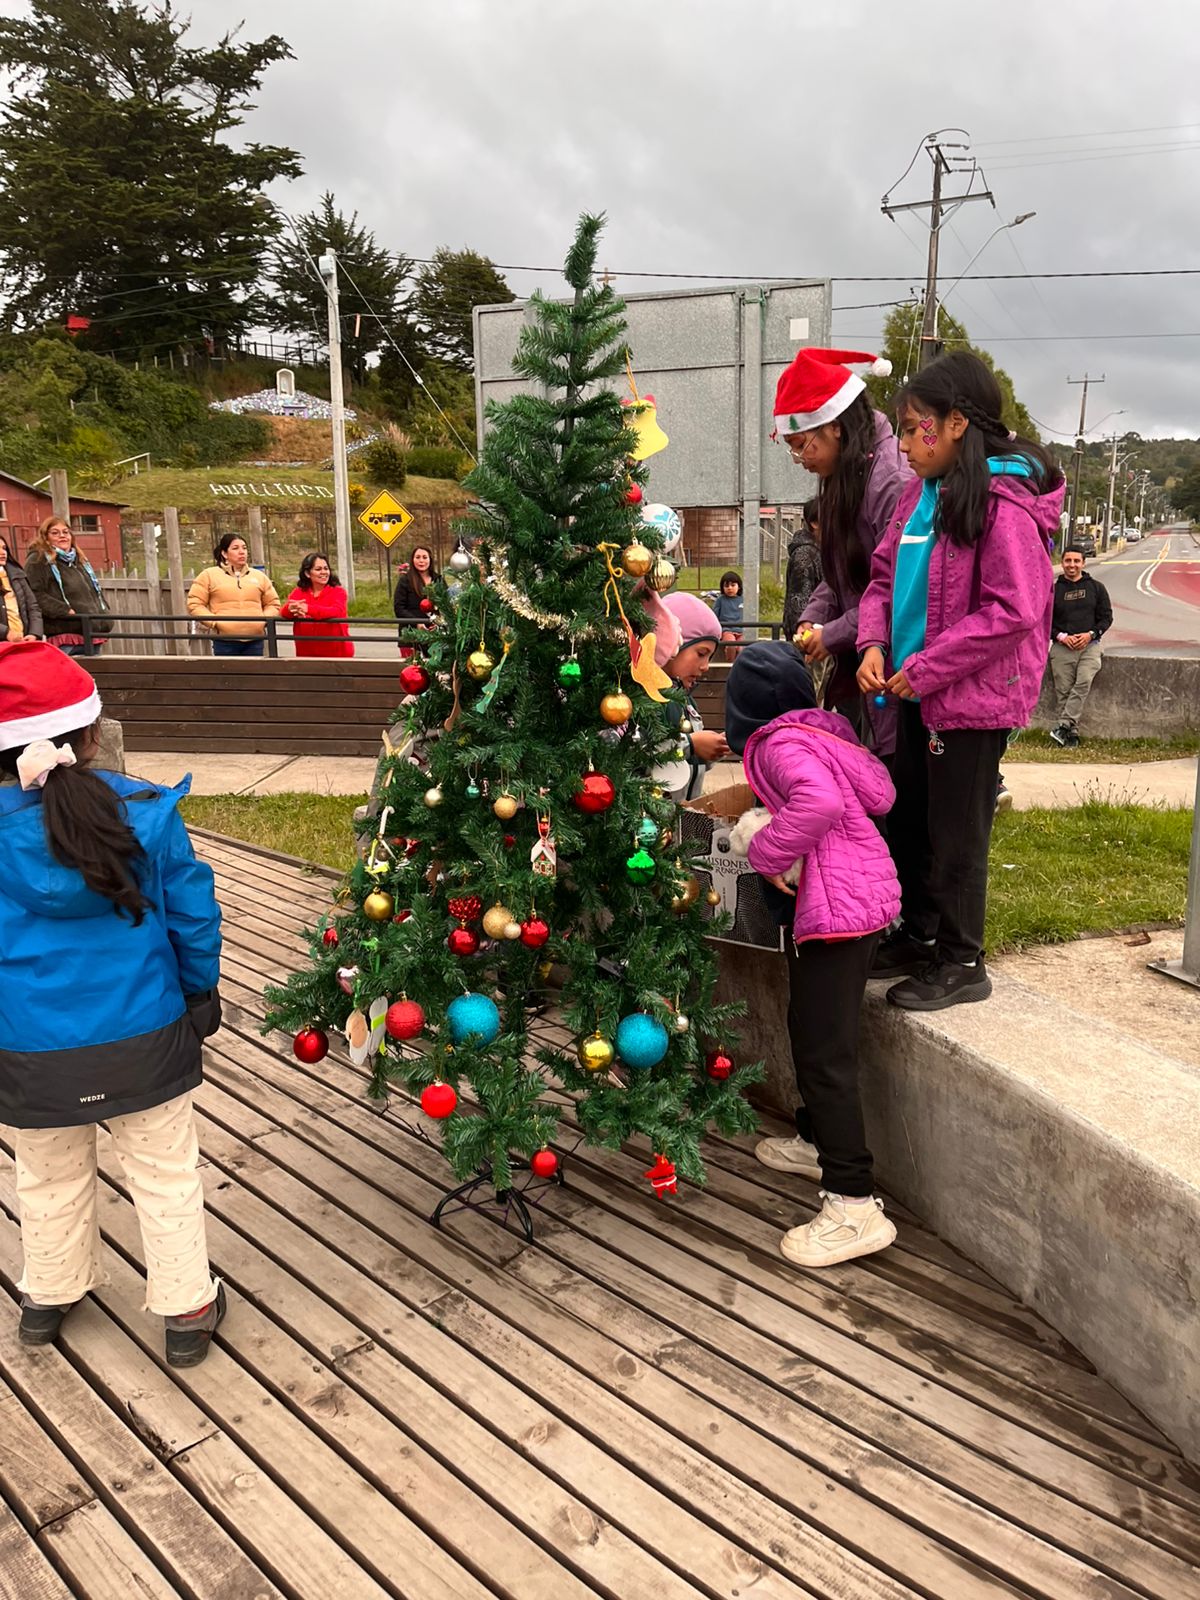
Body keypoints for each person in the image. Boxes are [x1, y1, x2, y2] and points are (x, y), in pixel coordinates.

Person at [0, 640, 226, 1365]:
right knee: (164, 1174)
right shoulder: (148, 815)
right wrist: (200, 992)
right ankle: (187, 1306)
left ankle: (51, 1291)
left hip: (30, 1044)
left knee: (45, 1173)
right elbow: (191, 914)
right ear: (90, 734)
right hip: (143, 1027)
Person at [856, 350, 1063, 1011]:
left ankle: (961, 958)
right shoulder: (920, 500)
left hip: (969, 702)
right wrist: (872, 642)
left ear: (956, 426)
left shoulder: (1002, 507)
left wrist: (927, 666)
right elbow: (884, 579)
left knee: (956, 833)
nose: (907, 442)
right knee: (913, 818)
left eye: (916, 426)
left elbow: (1015, 610)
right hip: (915, 692)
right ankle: (918, 936)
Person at [724, 639, 901, 1267]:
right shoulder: (823, 736)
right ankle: (815, 1137)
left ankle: (854, 1202)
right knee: (808, 1028)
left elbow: (819, 805)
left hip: (838, 912)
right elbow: (872, 798)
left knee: (827, 1054)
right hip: (849, 904)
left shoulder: (777, 744)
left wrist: (767, 853)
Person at [776, 348, 913, 753]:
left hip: (894, 659)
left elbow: (895, 588)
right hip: (863, 657)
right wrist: (814, 618)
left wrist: (833, 633)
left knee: (894, 788)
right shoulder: (845, 475)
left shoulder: (892, 481)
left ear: (834, 426)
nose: (799, 459)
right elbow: (841, 573)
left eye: (802, 445)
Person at [652, 591, 728, 801]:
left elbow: (691, 762)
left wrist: (715, 748)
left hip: (686, 816)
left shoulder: (686, 701)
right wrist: (691, 745)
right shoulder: (645, 699)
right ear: (671, 644)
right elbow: (641, 753)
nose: (705, 667)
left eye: (710, 657)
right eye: (701, 654)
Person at [1049, 546, 1111, 746]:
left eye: (1076, 561)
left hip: (1089, 646)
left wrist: (1090, 634)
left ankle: (1063, 726)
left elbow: (1106, 618)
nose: (1072, 565)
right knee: (1064, 691)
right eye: (1068, 561)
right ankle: (1070, 735)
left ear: (1083, 563)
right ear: (1062, 563)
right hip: (1062, 647)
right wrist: (1061, 636)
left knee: (1083, 681)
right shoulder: (1053, 591)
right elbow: (1044, 621)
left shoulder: (1097, 588)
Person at [24, 516, 113, 655]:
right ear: (45, 537)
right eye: (55, 533)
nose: (62, 536)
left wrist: (104, 611)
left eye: (65, 532)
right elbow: (34, 593)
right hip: (65, 633)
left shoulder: (79, 560)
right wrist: (64, 610)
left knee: (94, 675)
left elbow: (94, 591)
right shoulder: (38, 560)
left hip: (90, 632)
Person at [186, 534, 280, 658]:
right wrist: (215, 623)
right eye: (235, 548)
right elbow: (195, 603)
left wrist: (263, 620)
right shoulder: (209, 575)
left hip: (255, 640)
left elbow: (273, 603)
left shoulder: (259, 576)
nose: (242, 552)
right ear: (224, 553)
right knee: (228, 676)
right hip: (224, 641)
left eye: (244, 548)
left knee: (253, 676)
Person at [281, 553, 354, 659]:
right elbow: (284, 612)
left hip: (337, 654)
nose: (324, 572)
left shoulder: (338, 592)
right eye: (318, 569)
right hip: (306, 654)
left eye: (326, 568)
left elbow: (336, 611)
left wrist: (308, 609)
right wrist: (290, 609)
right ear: (307, 573)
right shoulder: (299, 592)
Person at [782, 499, 822, 642]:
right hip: (808, 641)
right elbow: (799, 603)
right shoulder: (804, 555)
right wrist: (805, 639)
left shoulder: (818, 550)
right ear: (815, 523)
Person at [392, 545, 439, 649]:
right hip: (410, 636)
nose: (421, 561)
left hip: (435, 637)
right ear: (412, 560)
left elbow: (445, 605)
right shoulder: (405, 581)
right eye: (417, 557)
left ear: (430, 560)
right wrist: (416, 622)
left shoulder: (438, 580)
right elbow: (399, 609)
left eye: (424, 557)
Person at [0, 534, 43, 643]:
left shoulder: (17, 574)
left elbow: (33, 607)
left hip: (24, 640)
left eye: (4, 548)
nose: (2, 552)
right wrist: (6, 632)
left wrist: (34, 633)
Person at [711, 570, 744, 658]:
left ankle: (741, 666)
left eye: (733, 585)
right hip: (727, 630)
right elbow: (714, 615)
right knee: (731, 645)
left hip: (742, 630)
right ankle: (730, 664)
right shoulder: (720, 600)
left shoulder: (743, 599)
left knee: (742, 648)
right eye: (726, 586)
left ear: (739, 586)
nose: (730, 588)